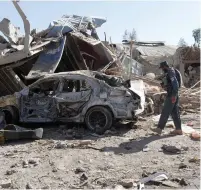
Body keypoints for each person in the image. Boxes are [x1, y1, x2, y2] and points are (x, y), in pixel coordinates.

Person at [151, 61, 183, 135]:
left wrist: (173, 95)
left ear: (164, 67)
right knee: (175, 112)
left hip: (172, 95)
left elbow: (175, 84)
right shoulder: (173, 71)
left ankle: (159, 128)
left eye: (162, 68)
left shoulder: (170, 71)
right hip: (174, 94)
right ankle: (178, 129)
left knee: (165, 111)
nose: (162, 70)